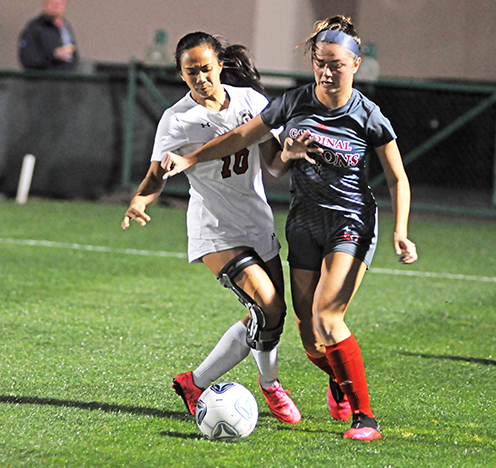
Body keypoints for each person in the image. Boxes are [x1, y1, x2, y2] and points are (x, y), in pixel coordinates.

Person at [160, 16, 418, 441]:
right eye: (320, 62)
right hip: (303, 222)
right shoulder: (293, 102)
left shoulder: (368, 114)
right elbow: (245, 139)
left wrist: (400, 230)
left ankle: (365, 418)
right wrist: (192, 159)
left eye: (336, 63)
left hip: (350, 221)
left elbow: (398, 178)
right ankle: (339, 378)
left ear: (355, 64)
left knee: (327, 316)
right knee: (309, 335)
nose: (327, 71)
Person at [121, 31, 301, 425]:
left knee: (272, 315)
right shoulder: (177, 119)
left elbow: (273, 165)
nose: (200, 78)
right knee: (267, 304)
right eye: (191, 72)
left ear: (220, 65)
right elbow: (157, 174)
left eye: (206, 68)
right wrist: (140, 200)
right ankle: (264, 385)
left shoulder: (251, 101)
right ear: (181, 75)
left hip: (257, 222)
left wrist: (291, 151)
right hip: (214, 229)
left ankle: (201, 382)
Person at [18, 0, 79, 71]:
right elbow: (29, 60)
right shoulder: (34, 28)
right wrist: (54, 55)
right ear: (45, 5)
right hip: (44, 79)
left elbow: (74, 56)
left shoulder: (65, 28)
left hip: (66, 79)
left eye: (59, 4)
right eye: (52, 3)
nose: (56, 7)